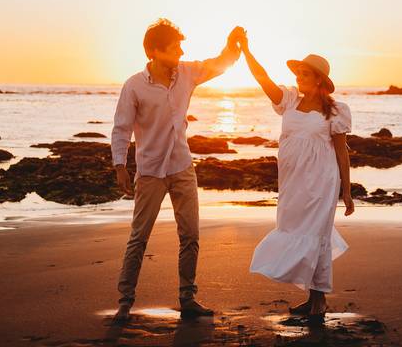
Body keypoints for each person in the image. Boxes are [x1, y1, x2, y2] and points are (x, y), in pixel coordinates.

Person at [110, 18, 243, 322]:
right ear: (155, 51)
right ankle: (125, 300)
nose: (181, 52)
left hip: (182, 166)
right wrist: (120, 165)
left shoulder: (187, 73)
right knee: (139, 237)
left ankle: (188, 297)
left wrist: (232, 43)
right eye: (175, 47)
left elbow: (219, 64)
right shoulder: (134, 85)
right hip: (150, 172)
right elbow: (121, 128)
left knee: (190, 236)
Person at [239, 32, 355, 322]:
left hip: (322, 182)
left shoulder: (336, 111)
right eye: (298, 73)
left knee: (317, 236)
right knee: (293, 229)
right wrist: (246, 51)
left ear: (319, 81)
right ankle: (315, 298)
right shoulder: (289, 100)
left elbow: (342, 153)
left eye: (305, 74)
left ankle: (318, 301)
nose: (299, 77)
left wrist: (347, 191)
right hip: (292, 182)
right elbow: (263, 79)